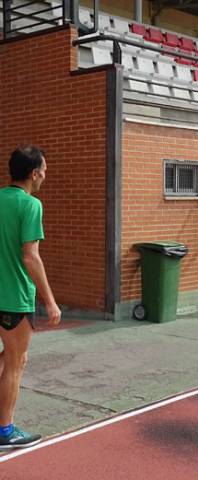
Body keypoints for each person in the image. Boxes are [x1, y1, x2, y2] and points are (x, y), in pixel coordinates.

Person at [0, 146, 61, 450]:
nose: (45, 176)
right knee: (15, 362)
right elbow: (31, 257)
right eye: (44, 171)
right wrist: (49, 300)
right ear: (33, 173)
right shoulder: (31, 205)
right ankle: (5, 431)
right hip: (14, 297)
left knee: (5, 359)